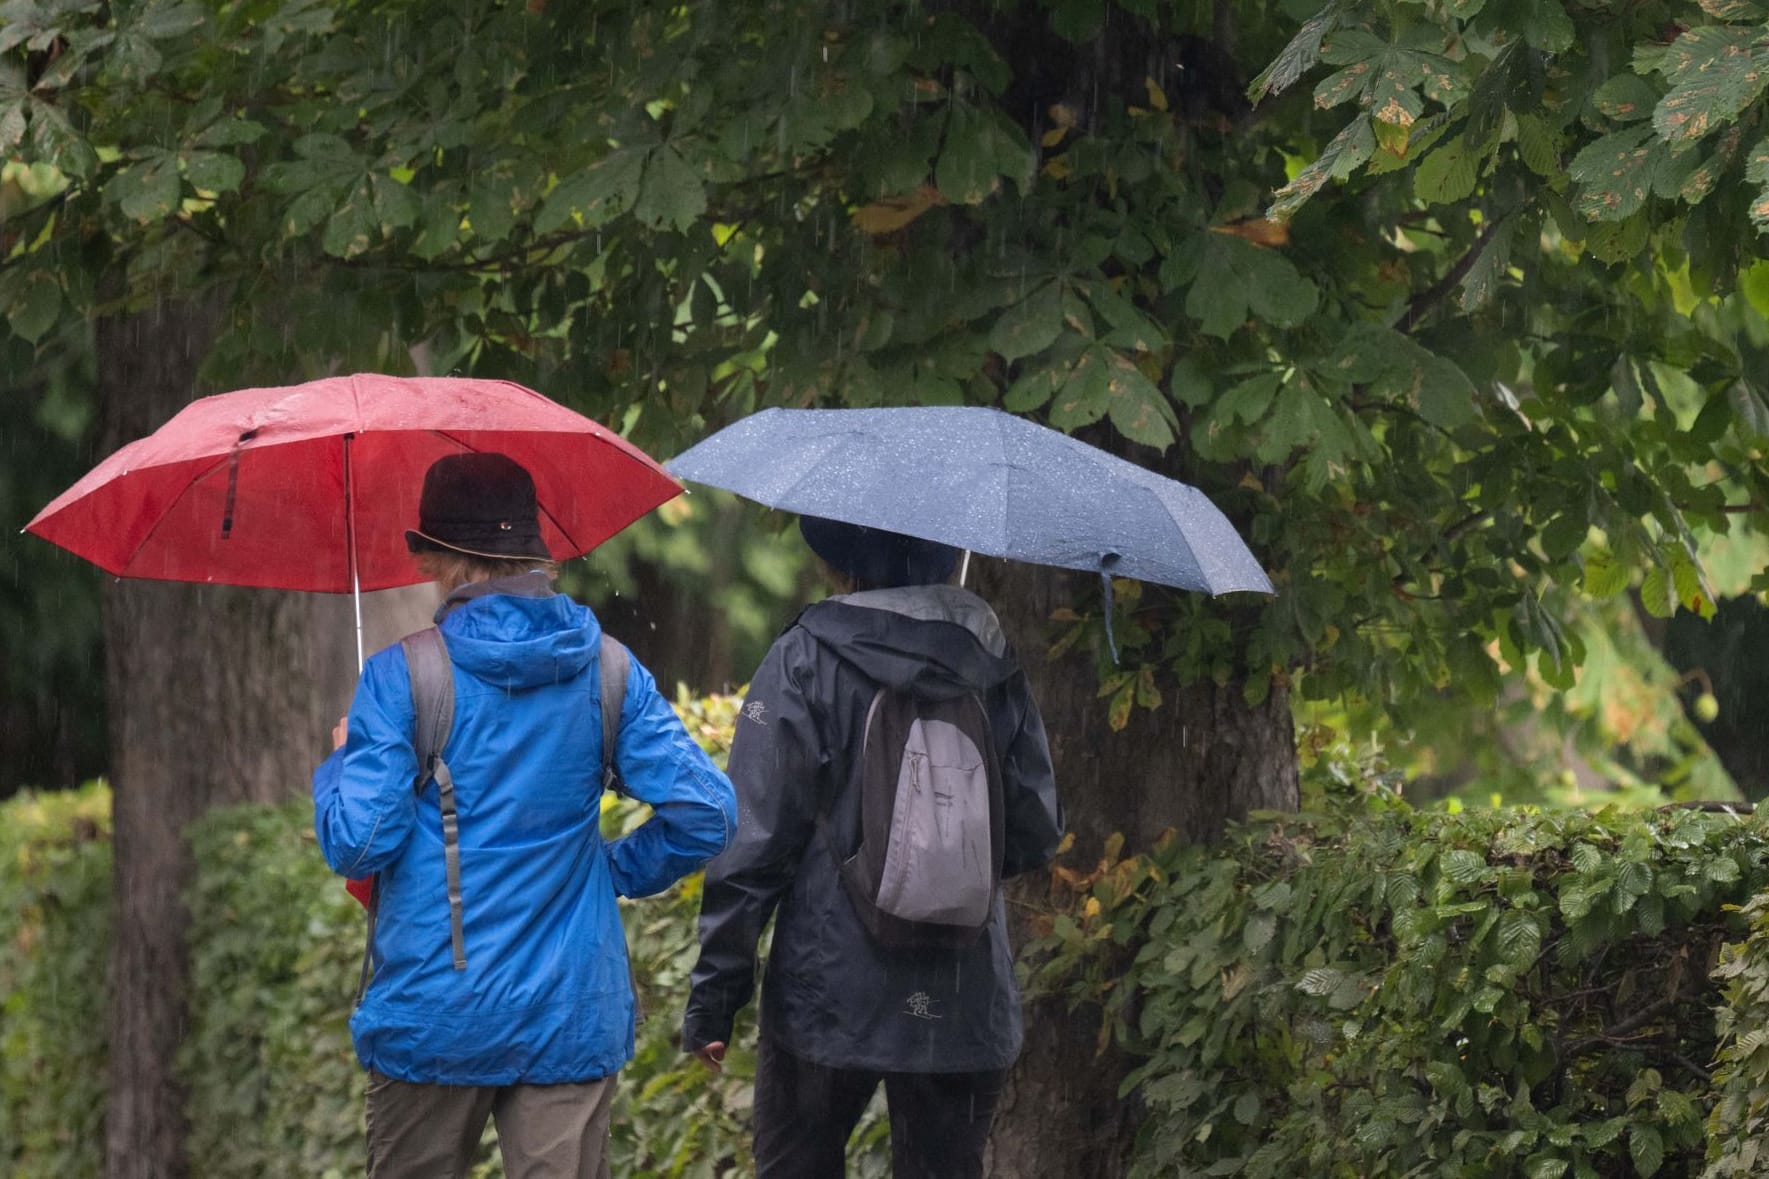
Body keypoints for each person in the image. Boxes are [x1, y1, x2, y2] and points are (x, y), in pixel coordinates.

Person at [313, 452, 737, 1179]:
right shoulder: (608, 669)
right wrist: (611, 870)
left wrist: (339, 764)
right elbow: (707, 812)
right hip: (569, 1009)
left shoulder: (400, 675)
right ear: (537, 551)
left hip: (432, 1014)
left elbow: (359, 844)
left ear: (430, 556)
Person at [682, 515, 1064, 1178]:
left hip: (828, 990)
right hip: (963, 991)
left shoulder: (806, 654)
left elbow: (753, 843)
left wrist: (715, 997)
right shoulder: (989, 659)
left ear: (837, 557)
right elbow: (1032, 830)